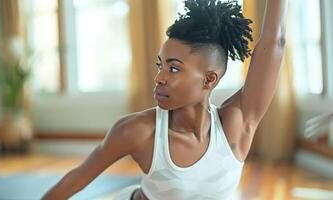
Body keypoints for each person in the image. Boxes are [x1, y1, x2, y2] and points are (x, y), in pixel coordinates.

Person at [42, 0, 287, 199]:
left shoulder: (236, 124)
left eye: (173, 69)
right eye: (160, 65)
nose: (159, 77)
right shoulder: (138, 131)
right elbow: (76, 179)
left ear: (209, 80)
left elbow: (274, 41)